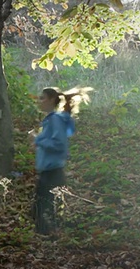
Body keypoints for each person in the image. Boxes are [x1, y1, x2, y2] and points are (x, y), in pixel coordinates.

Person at [31, 87, 91, 235]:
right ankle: (48, 239)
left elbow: (59, 145)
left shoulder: (55, 120)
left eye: (42, 98)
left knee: (43, 210)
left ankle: (50, 242)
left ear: (52, 100)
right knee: (41, 209)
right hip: (48, 171)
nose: (40, 101)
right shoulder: (50, 120)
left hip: (53, 172)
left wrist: (37, 140)